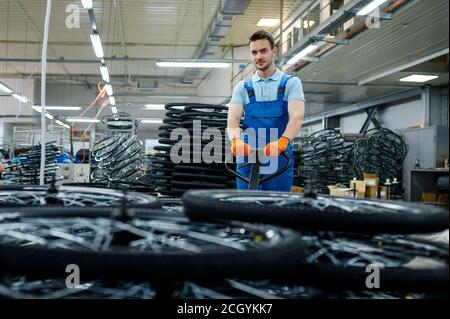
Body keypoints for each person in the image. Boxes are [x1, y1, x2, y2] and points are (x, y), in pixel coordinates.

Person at [227, 30, 305, 191]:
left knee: (276, 209)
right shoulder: (242, 87)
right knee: (245, 206)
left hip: (278, 156)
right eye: (254, 52)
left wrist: (283, 141)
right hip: (248, 156)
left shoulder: (291, 83)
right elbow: (233, 120)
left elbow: (297, 116)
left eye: (263, 51)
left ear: (273, 52)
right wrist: (236, 140)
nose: (258, 57)